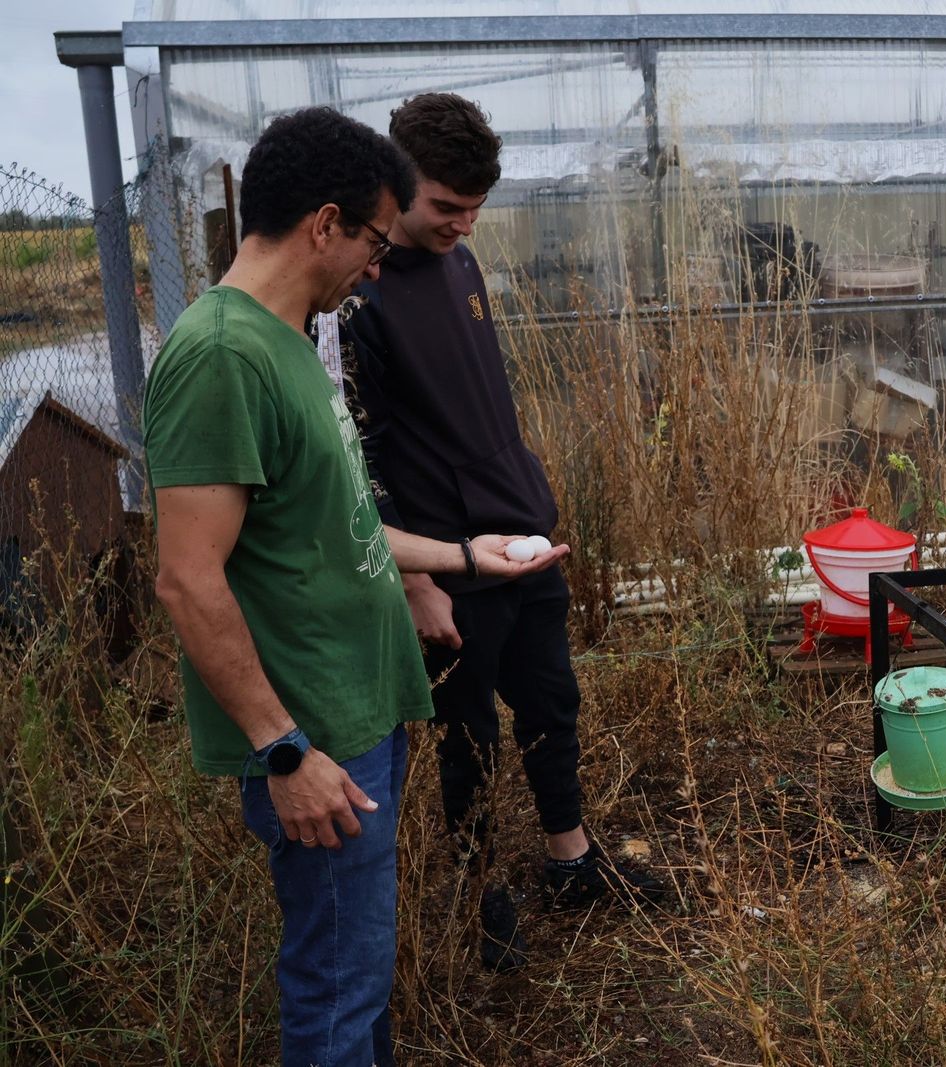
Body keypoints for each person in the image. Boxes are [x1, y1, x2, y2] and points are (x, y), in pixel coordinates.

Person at [143, 107, 566, 1066]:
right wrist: (283, 751)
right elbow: (185, 578)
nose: (378, 266)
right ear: (323, 224)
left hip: (356, 718)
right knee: (334, 993)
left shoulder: (287, 338)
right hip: (315, 738)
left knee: (358, 978)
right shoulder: (220, 355)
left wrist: (465, 556)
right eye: (374, 239)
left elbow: (341, 526)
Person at [341, 92, 662, 972]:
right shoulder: (357, 299)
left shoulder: (463, 264)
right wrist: (416, 579)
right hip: (449, 559)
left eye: (476, 208)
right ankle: (482, 892)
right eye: (446, 208)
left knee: (552, 701)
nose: (463, 224)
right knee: (467, 734)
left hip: (520, 534)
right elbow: (362, 454)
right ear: (395, 184)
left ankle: (572, 859)